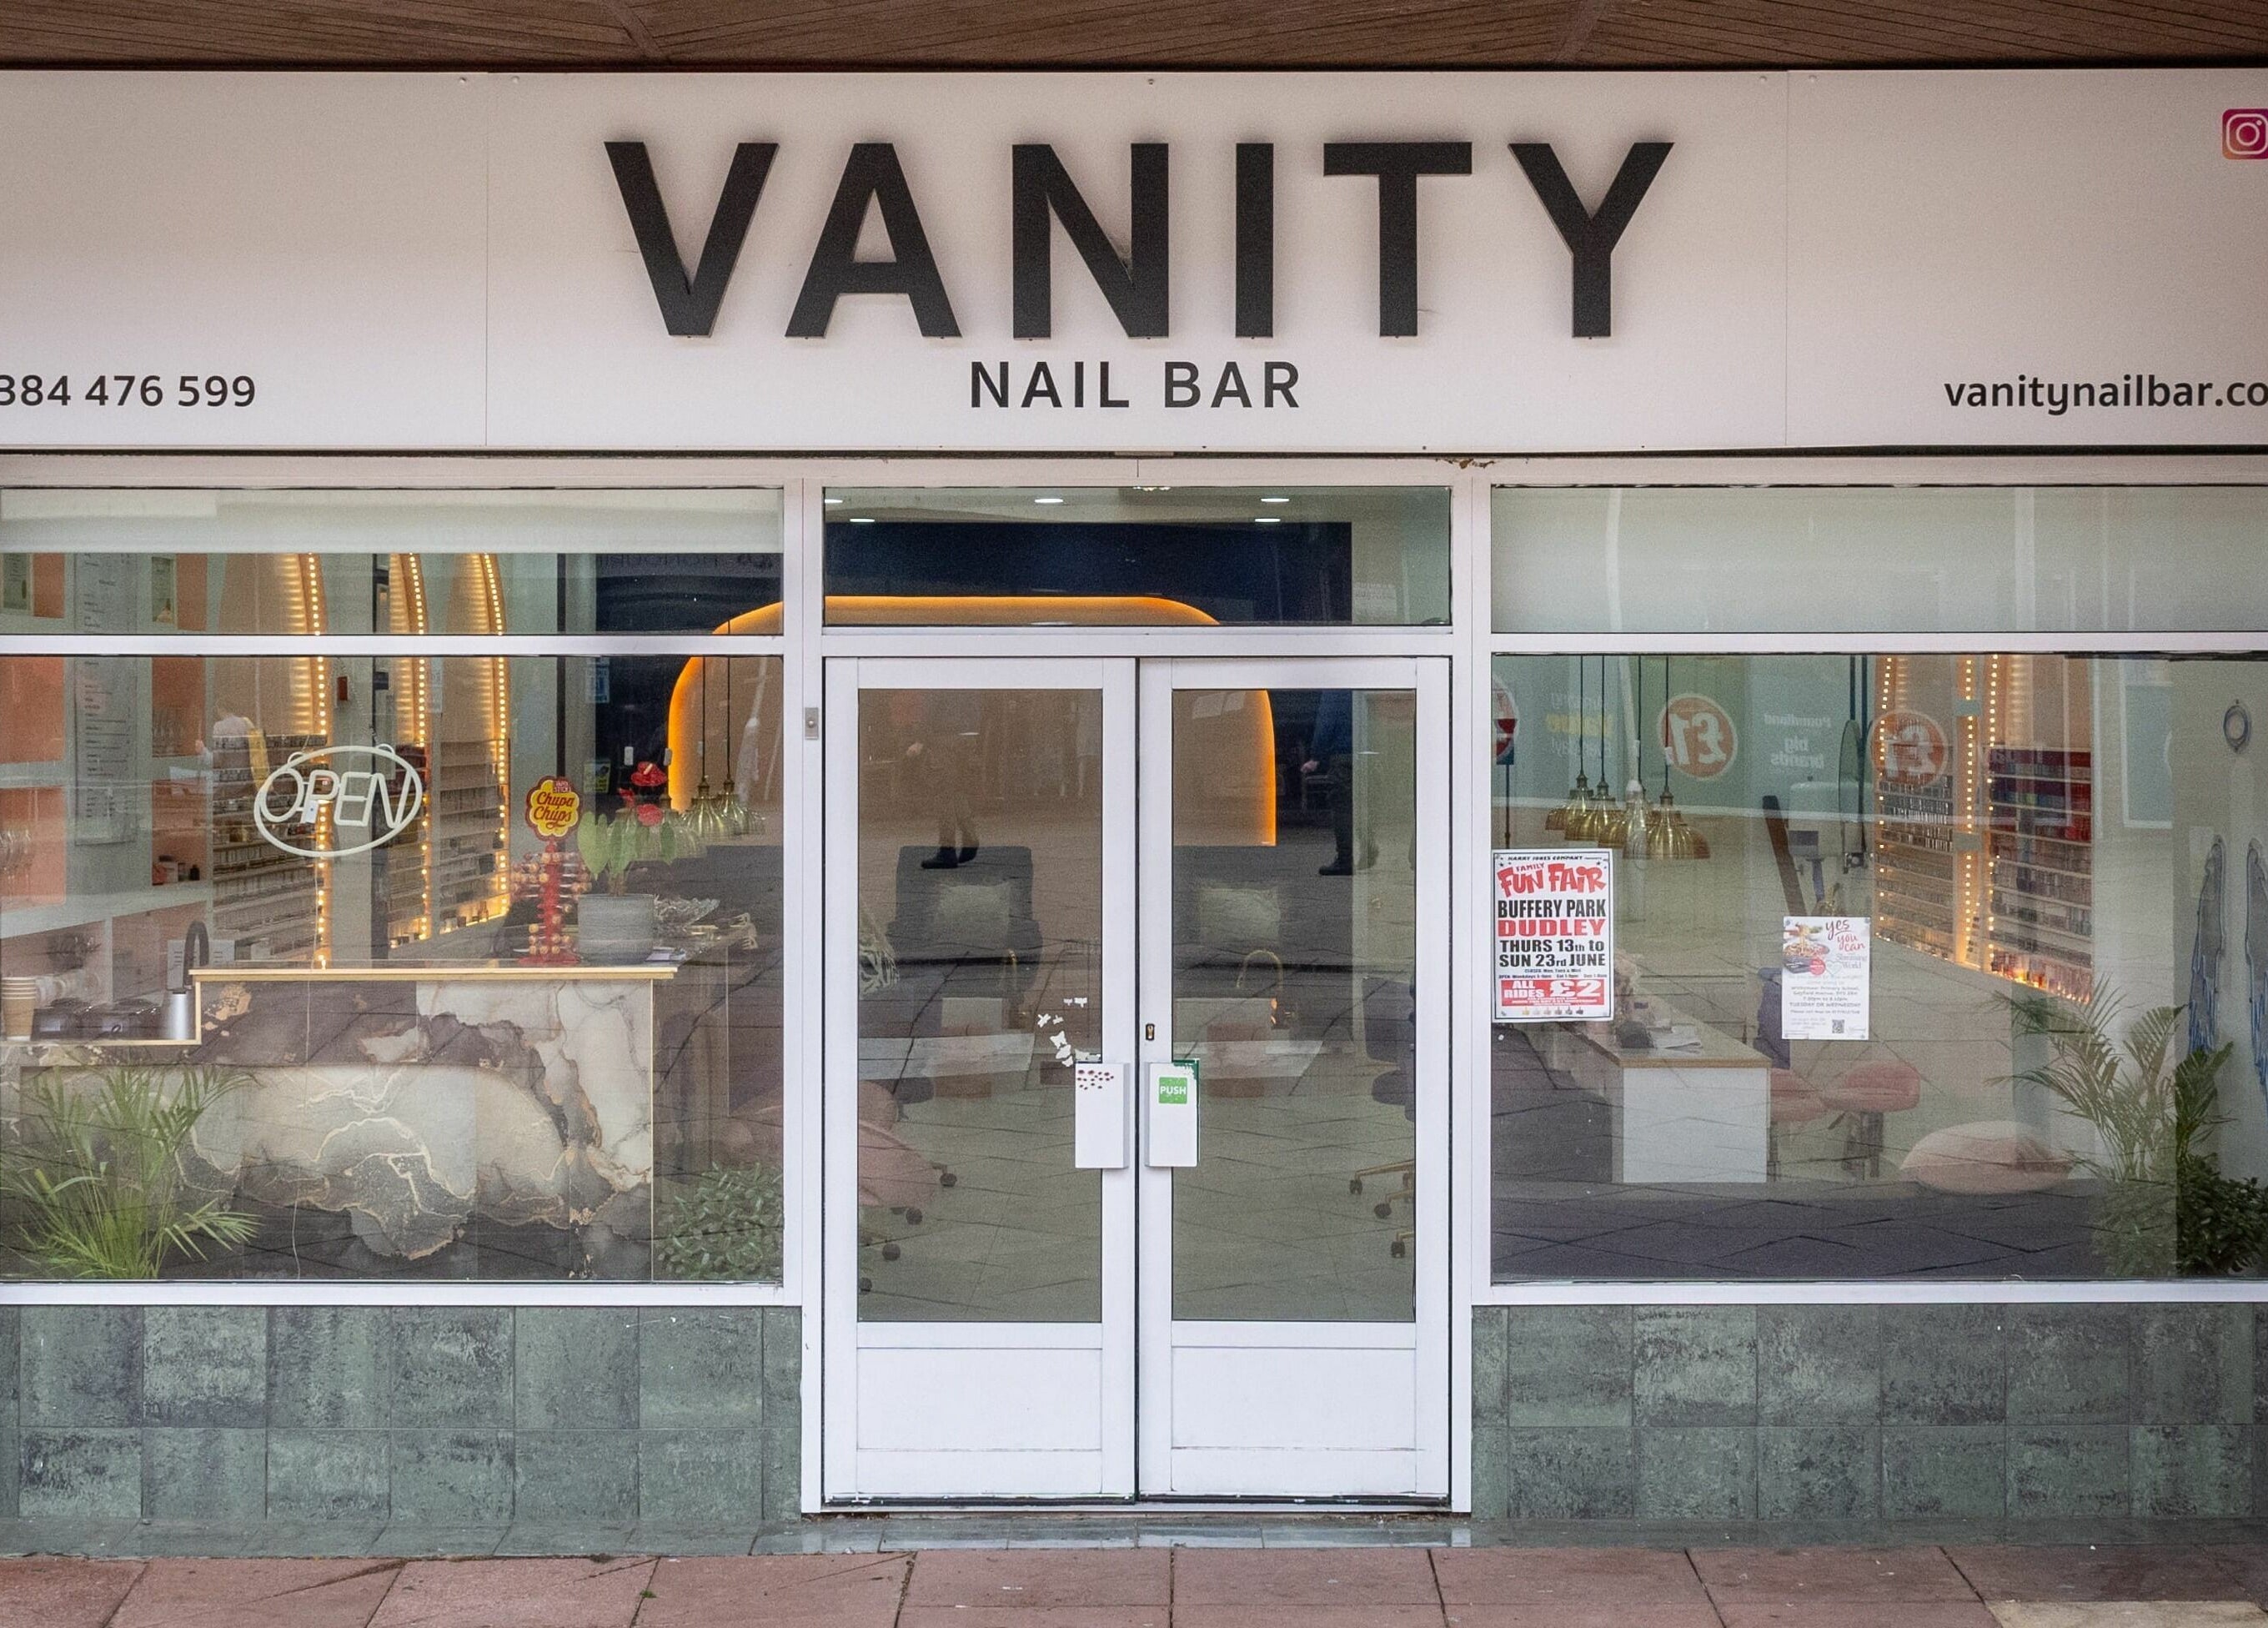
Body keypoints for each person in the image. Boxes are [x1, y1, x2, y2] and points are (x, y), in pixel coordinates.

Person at [1300, 691, 1372, 877]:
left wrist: (1316, 755)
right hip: (1369, 753)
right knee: (1364, 805)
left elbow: (1327, 721)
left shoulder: (1336, 690)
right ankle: (1368, 851)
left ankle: (1345, 859)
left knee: (1342, 808)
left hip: (1344, 754)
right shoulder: (1368, 683)